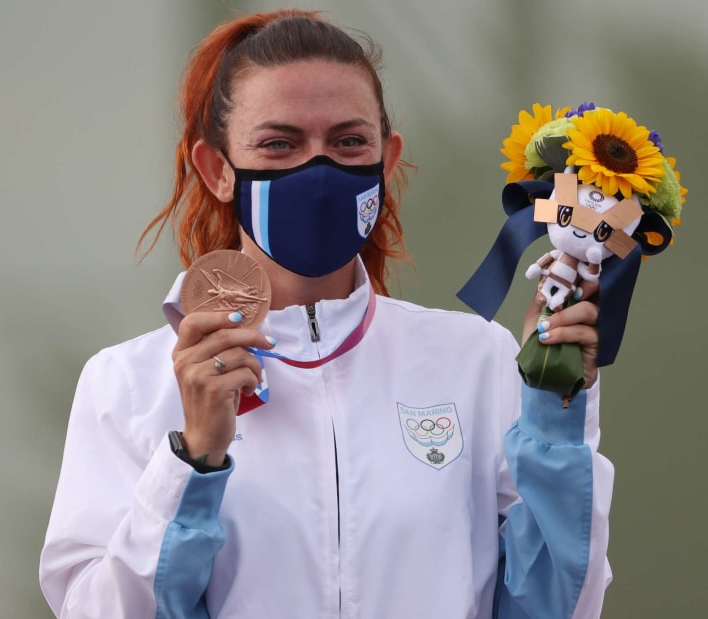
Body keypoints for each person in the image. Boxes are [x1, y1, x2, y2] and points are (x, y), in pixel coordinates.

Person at [39, 9, 613, 619]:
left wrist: (553, 412)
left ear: (386, 161)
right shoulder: (126, 383)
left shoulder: (479, 360)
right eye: (279, 144)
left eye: (348, 142)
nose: (318, 170)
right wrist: (193, 459)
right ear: (217, 170)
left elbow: (559, 606)